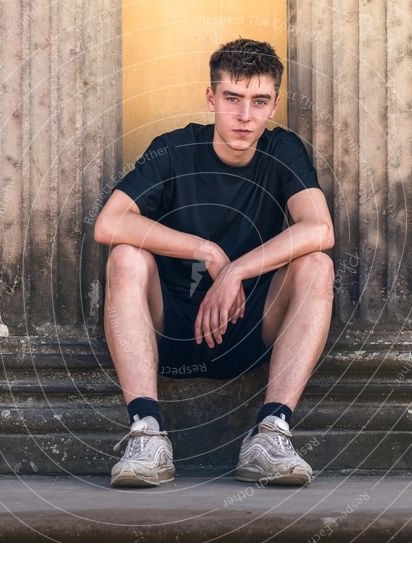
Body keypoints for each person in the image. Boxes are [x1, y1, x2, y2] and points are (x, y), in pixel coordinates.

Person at [93, 38, 334, 487]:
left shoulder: (282, 151)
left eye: (259, 102)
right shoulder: (175, 150)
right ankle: (146, 433)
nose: (245, 116)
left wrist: (237, 271)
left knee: (317, 265)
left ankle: (271, 433)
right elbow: (108, 224)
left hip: (250, 324)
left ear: (274, 104)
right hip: (171, 326)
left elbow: (320, 229)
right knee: (126, 256)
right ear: (211, 98)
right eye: (233, 99)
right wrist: (206, 251)